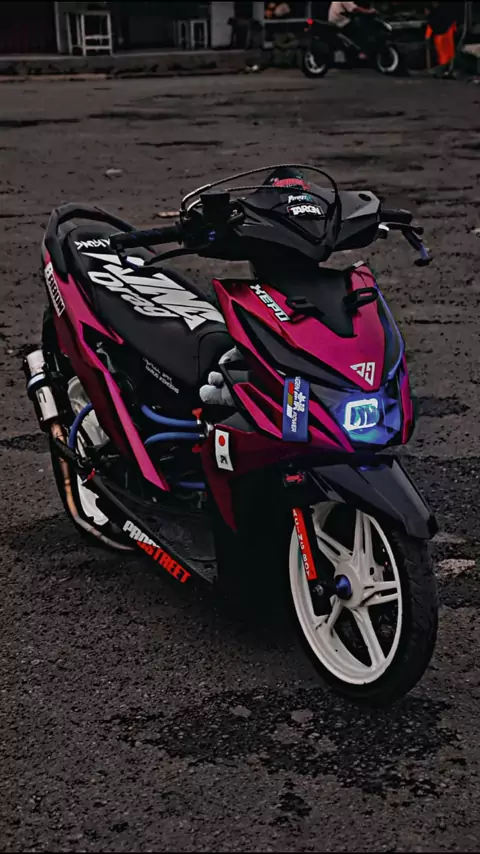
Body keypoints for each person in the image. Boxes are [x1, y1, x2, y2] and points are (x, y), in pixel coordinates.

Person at [424, 1, 458, 78]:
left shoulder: (435, 14)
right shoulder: (439, 12)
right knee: (446, 54)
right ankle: (447, 70)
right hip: (444, 33)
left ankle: (446, 70)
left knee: (445, 54)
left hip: (443, 34)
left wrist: (428, 36)